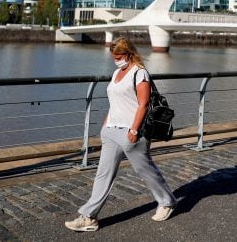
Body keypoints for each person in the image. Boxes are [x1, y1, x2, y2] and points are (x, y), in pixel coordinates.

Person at [65, 37, 177, 232]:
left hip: (132, 132)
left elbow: (143, 104)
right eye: (114, 57)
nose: (116, 60)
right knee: (103, 175)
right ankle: (89, 217)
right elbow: (115, 101)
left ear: (129, 54)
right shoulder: (117, 72)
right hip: (111, 131)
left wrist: (133, 130)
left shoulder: (139, 73)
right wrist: (105, 125)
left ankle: (167, 202)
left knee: (145, 170)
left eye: (119, 56)